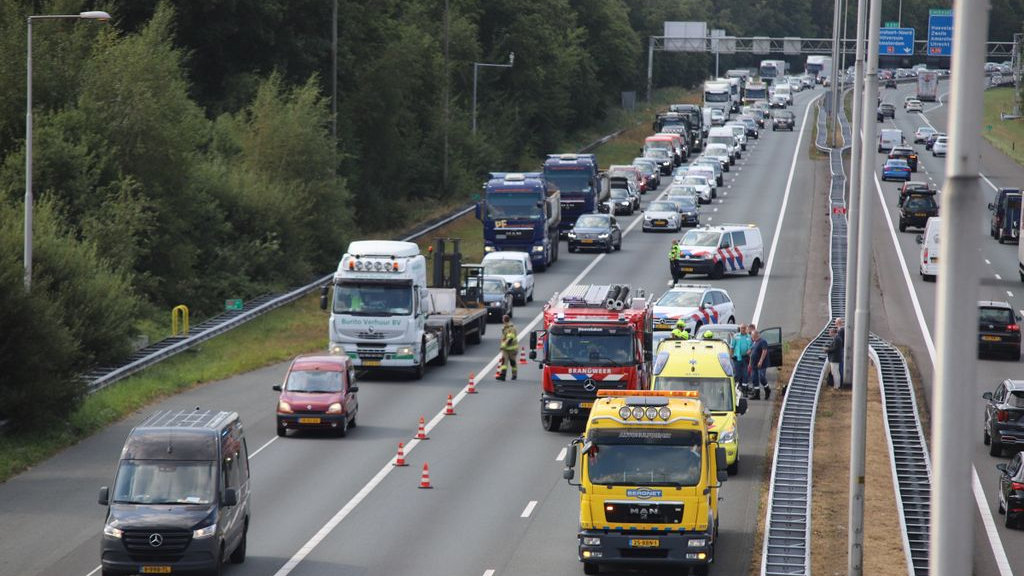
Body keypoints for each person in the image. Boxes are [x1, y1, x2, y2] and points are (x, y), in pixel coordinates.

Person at [748, 329, 770, 400]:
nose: (751, 337)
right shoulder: (754, 342)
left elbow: (764, 351)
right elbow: (752, 352)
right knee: (755, 378)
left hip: (761, 364)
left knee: (761, 377)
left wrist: (760, 361)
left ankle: (767, 389)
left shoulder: (763, 342)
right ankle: (756, 394)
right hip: (754, 364)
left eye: (752, 335)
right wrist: (750, 363)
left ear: (756, 335)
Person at [732, 324, 752, 395]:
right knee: (737, 374)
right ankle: (732, 386)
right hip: (737, 358)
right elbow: (732, 346)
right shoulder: (736, 336)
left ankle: (744, 390)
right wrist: (730, 356)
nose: (743, 329)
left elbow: (752, 346)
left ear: (746, 329)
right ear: (739, 329)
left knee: (745, 374)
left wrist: (750, 349)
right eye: (741, 328)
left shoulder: (749, 337)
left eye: (744, 328)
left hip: (746, 357)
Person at [497, 315, 518, 380]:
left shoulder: (510, 328)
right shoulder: (505, 327)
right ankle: (503, 375)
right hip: (506, 349)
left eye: (503, 319)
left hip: (512, 349)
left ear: (504, 320)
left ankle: (514, 375)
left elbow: (510, 338)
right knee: (504, 362)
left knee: (512, 362)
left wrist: (503, 346)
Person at [835, 317, 846, 386]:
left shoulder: (840, 331)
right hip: (841, 349)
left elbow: (840, 342)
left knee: (840, 365)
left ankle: (841, 380)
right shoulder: (841, 330)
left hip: (840, 350)